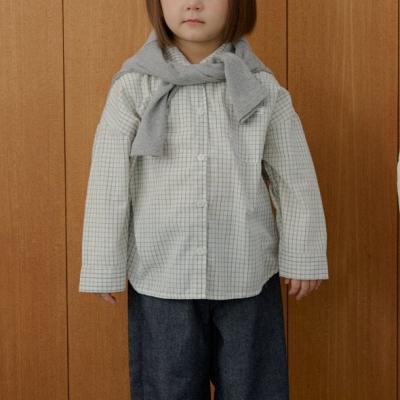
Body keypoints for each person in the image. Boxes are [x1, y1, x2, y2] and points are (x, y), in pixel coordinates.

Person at [79, 0, 329, 399]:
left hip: (247, 275)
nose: (193, 3)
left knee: (254, 389)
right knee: (166, 390)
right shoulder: (133, 87)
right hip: (161, 277)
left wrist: (303, 254)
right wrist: (103, 264)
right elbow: (109, 181)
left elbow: (293, 177)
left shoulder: (262, 87)